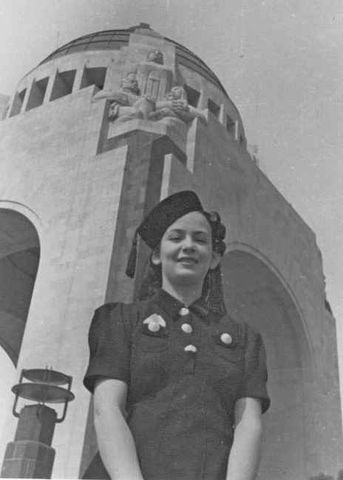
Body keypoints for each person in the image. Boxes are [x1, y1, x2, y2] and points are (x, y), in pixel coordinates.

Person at [83, 190, 270, 480]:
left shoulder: (244, 337)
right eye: (176, 237)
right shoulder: (120, 320)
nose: (188, 246)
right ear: (157, 255)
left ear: (215, 258)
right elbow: (107, 409)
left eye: (200, 239)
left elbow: (249, 424)